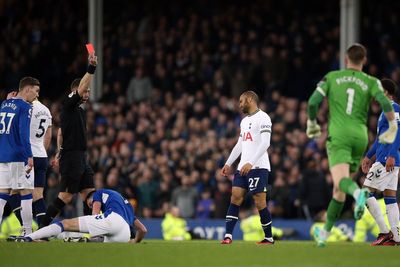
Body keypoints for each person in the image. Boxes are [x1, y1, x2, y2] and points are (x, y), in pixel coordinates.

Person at [307, 43, 398, 247]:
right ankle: (325, 233)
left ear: (346, 59)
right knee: (339, 191)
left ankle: (359, 193)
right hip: (360, 136)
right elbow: (385, 103)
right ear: (363, 60)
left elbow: (313, 102)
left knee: (341, 183)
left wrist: (312, 123)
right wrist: (392, 125)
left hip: (339, 135)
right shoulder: (371, 81)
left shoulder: (332, 77)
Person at [41, 53, 98, 227]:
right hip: (72, 158)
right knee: (65, 196)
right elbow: (81, 88)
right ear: (76, 91)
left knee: (89, 194)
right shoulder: (69, 104)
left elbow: (60, 133)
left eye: (88, 91)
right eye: (85, 90)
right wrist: (91, 69)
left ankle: (92, 231)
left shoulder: (79, 110)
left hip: (81, 156)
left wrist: (58, 150)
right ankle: (42, 227)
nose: (87, 93)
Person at [220, 90, 274, 245]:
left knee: (259, 202)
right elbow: (240, 144)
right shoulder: (244, 121)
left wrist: (251, 162)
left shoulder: (263, 117)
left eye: (241, 101)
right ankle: (228, 236)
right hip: (243, 167)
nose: (239, 104)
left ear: (250, 99)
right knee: (235, 197)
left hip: (258, 166)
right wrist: (228, 163)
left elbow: (266, 143)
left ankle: (268, 237)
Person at [12, 189, 147, 243]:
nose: (90, 204)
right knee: (101, 242)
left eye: (89, 203)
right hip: (124, 233)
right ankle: (84, 240)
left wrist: (93, 222)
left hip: (113, 220)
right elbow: (142, 230)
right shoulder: (128, 207)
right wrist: (135, 241)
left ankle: (28, 237)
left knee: (65, 224)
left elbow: (95, 214)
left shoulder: (98, 193)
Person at [361, 78, 400, 246]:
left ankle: (385, 232)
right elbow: (380, 139)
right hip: (387, 158)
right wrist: (369, 156)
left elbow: (397, 131)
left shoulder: (393, 108)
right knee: (390, 197)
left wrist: (391, 154)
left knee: (364, 194)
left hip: (387, 160)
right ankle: (396, 238)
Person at [0, 77, 40, 235]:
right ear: (27, 89)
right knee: (26, 193)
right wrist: (29, 156)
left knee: (2, 194)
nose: (36, 96)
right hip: (18, 156)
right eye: (36, 91)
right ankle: (28, 231)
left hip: (3, 155)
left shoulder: (4, 104)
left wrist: (9, 101)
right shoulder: (25, 107)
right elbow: (24, 133)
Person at [7, 95, 52, 228]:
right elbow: (48, 136)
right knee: (38, 195)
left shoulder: (24, 109)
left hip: (26, 156)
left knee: (12, 192)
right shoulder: (46, 110)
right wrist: (42, 151)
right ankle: (42, 231)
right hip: (42, 155)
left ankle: (25, 227)